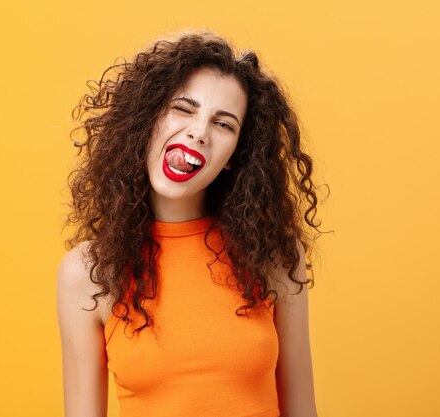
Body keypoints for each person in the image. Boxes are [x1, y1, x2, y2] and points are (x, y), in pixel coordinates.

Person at [57, 29, 327, 417]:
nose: (199, 132)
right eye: (184, 108)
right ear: (148, 120)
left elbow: (302, 410)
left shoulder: (273, 256)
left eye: (224, 124)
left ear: (235, 154)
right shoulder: (88, 273)